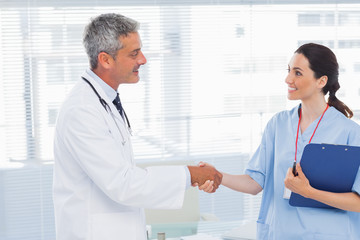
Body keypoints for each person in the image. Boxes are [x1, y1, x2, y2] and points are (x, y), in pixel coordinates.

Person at [53, 13, 222, 240]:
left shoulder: (104, 101)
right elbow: (123, 183)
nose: (143, 59)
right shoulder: (81, 111)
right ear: (105, 60)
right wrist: (190, 175)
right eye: (134, 54)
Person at [199, 43, 360, 239]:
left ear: (321, 81)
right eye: (289, 70)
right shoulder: (278, 124)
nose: (288, 79)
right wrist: (217, 176)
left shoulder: (349, 132)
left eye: (298, 73)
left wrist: (308, 192)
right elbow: (255, 182)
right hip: (282, 233)